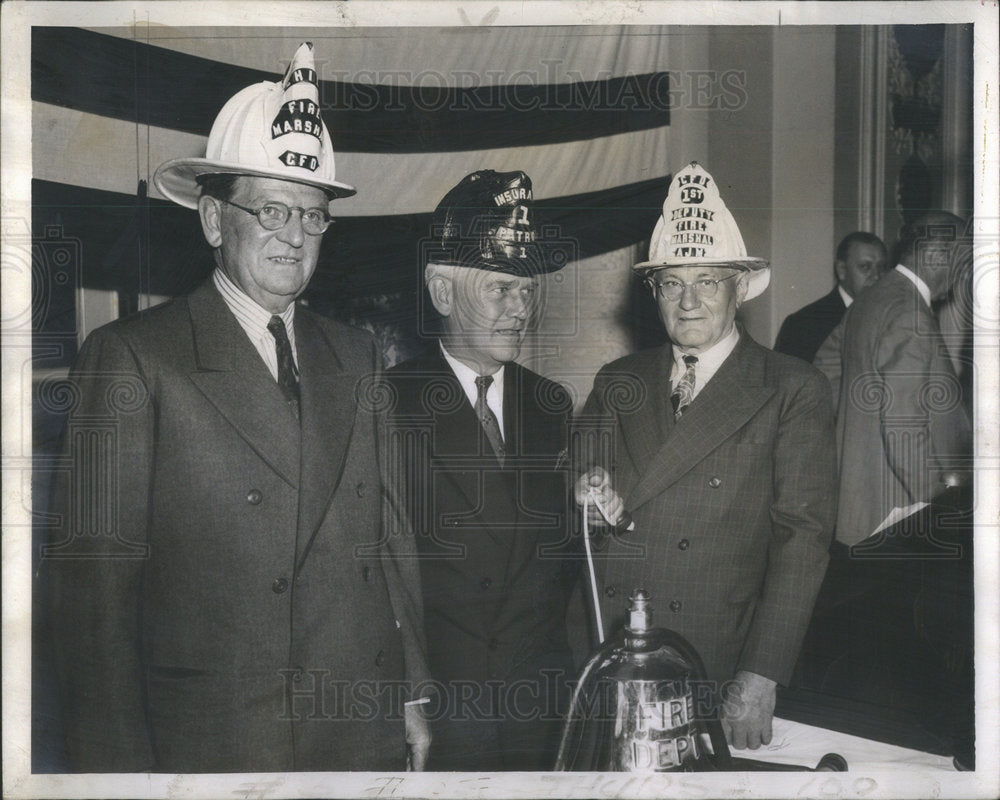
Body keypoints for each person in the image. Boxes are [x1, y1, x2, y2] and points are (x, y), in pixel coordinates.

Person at [43, 43, 430, 773]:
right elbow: (94, 603)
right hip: (221, 741)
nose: (294, 234)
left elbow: (387, 548)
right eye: (272, 209)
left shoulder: (356, 354)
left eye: (314, 216)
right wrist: (116, 778)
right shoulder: (134, 357)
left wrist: (410, 693)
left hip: (357, 727)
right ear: (215, 221)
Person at [575, 162, 837, 750]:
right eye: (672, 283)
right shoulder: (618, 379)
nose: (688, 302)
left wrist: (761, 673)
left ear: (740, 288)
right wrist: (587, 497)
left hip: (713, 656)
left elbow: (803, 537)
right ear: (654, 292)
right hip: (608, 649)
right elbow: (576, 489)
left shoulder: (791, 387)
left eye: (708, 282)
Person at [384, 170, 579, 770]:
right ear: (443, 291)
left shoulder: (552, 404)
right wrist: (405, 694)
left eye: (527, 291)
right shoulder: (386, 402)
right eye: (500, 290)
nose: (520, 309)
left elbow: (555, 567)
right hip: (445, 706)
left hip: (541, 706)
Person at [815, 211, 972, 548]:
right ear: (935, 254)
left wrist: (859, 432)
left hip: (859, 502)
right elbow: (904, 426)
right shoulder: (910, 313)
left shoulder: (870, 297)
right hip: (900, 512)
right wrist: (936, 503)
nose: (964, 274)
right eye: (962, 261)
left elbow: (824, 371)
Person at [773, 231, 887, 363]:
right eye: (865, 267)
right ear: (842, 270)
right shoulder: (804, 324)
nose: (877, 276)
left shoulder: (891, 316)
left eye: (881, 267)